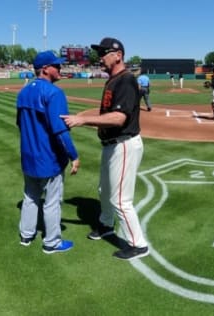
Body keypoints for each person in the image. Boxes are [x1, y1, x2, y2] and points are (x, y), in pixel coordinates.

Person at [60, 37, 149, 260]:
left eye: (104, 53)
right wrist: (82, 116)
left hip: (124, 143)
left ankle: (138, 244)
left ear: (118, 55)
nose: (100, 57)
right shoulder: (112, 80)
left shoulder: (126, 80)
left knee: (120, 199)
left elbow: (119, 118)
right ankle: (106, 224)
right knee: (105, 191)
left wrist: (82, 121)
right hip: (111, 145)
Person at [16, 51, 80, 254]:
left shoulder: (23, 92)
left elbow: (20, 124)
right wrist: (74, 155)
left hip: (28, 156)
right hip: (49, 158)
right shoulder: (54, 93)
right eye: (56, 66)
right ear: (45, 69)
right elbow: (60, 130)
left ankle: (26, 235)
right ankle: (51, 242)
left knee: (30, 197)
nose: (60, 69)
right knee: (52, 202)